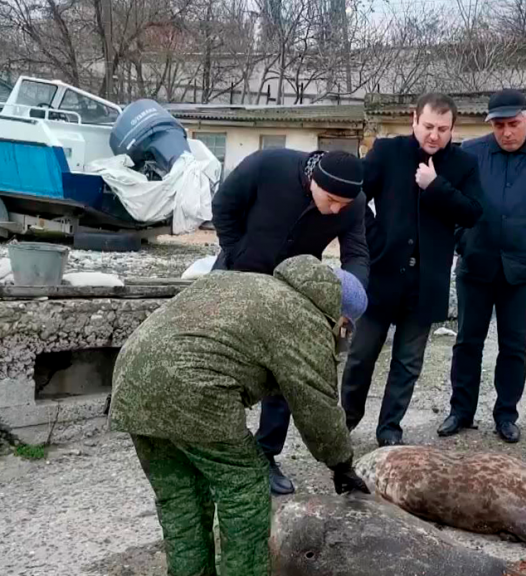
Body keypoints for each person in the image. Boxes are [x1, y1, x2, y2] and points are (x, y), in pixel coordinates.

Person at [108, 255, 371, 576]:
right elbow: (318, 404)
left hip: (131, 378)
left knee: (181, 498)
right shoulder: (305, 318)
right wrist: (341, 463)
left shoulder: (257, 284)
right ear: (342, 319)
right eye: (346, 329)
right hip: (192, 385)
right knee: (244, 490)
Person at [211, 147, 370, 496]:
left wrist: (350, 298)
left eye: (344, 204)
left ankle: (265, 453)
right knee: (219, 363)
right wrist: (237, 252)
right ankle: (216, 452)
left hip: (292, 289)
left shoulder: (353, 204)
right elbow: (224, 205)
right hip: (237, 275)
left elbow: (357, 253)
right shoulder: (268, 165)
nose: (337, 210)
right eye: (331, 200)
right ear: (314, 181)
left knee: (288, 370)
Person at [340, 93, 484, 447]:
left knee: (407, 363)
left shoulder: (463, 164)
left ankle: (389, 428)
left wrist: (436, 186)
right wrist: (374, 240)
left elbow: (472, 212)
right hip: (382, 273)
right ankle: (345, 423)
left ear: (453, 129)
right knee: (360, 357)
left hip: (427, 281)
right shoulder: (388, 151)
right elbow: (354, 196)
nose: (434, 135)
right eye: (428, 126)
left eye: (443, 129)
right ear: (414, 120)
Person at [437, 88, 526, 444]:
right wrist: (462, 239)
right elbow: (450, 200)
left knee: (514, 347)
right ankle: (460, 411)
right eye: (499, 126)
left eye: (513, 124)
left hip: (523, 270)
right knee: (467, 342)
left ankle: (506, 415)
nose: (507, 132)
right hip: (475, 264)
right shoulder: (471, 153)